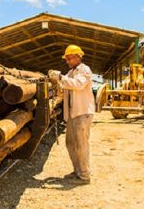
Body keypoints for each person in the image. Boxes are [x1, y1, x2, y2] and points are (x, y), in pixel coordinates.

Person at [48, 44, 95, 185]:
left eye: (69, 58)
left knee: (81, 145)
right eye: (66, 59)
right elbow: (64, 87)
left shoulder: (84, 70)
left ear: (78, 57)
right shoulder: (70, 73)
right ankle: (77, 171)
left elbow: (78, 85)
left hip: (82, 112)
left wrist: (60, 77)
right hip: (73, 114)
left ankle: (84, 176)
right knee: (71, 144)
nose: (67, 61)